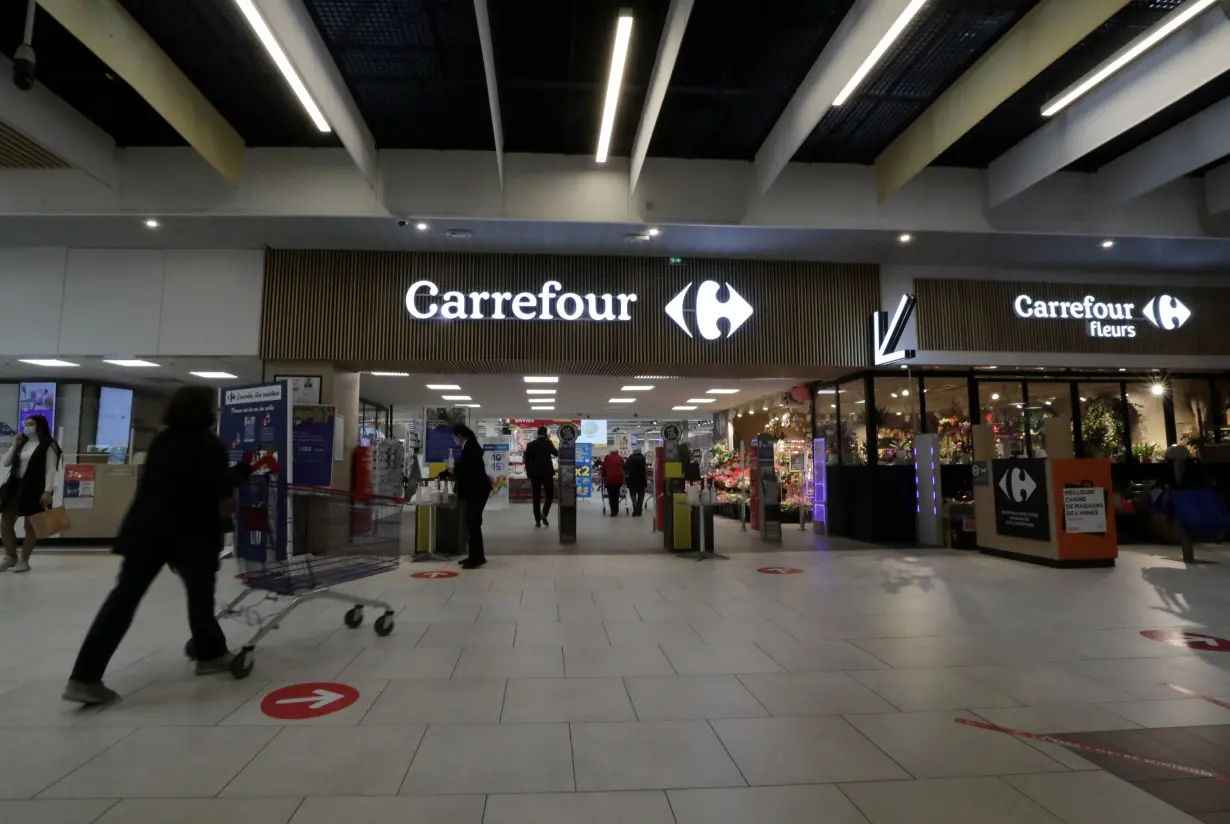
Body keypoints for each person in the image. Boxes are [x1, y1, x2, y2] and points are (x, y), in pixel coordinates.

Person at [63, 386, 255, 705]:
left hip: (147, 531)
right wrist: (245, 470)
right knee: (199, 595)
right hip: (191, 533)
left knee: (123, 600)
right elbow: (216, 486)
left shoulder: (162, 441)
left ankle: (84, 676)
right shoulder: (208, 445)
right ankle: (209, 655)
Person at [0, 414, 61, 572]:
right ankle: (10, 556)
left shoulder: (49, 445)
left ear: (39, 426)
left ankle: (24, 560)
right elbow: (5, 462)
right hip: (15, 486)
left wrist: (47, 491)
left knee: (31, 526)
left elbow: (50, 470)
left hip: (35, 488)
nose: (27, 427)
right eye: (26, 424)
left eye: (31, 424)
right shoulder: (22, 443)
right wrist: (14, 445)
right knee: (6, 522)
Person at [452, 423, 492, 569]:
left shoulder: (471, 448)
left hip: (477, 490)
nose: (454, 440)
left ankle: (477, 558)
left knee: (473, 523)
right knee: (472, 523)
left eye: (455, 437)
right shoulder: (469, 446)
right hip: (476, 490)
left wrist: (455, 468)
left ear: (460, 436)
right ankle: (473, 555)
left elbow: (470, 468)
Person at [523, 426, 557, 528]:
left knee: (536, 497)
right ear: (546, 433)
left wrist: (529, 473)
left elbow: (526, 461)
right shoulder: (548, 444)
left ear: (537, 434)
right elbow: (557, 453)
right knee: (550, 495)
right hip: (547, 474)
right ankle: (544, 513)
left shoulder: (530, 445)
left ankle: (537, 520)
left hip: (535, 475)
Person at [624, 447, 648, 517]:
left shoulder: (630, 458)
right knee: (641, 496)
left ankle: (635, 509)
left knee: (633, 495)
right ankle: (639, 510)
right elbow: (645, 468)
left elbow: (625, 467)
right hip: (641, 480)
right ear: (640, 451)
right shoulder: (643, 458)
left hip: (632, 480)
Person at [603, 448, 625, 516]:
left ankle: (613, 511)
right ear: (617, 452)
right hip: (618, 479)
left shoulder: (607, 458)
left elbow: (604, 468)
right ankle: (616, 509)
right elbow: (623, 468)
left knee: (611, 496)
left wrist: (603, 475)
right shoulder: (620, 458)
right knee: (616, 495)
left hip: (609, 480)